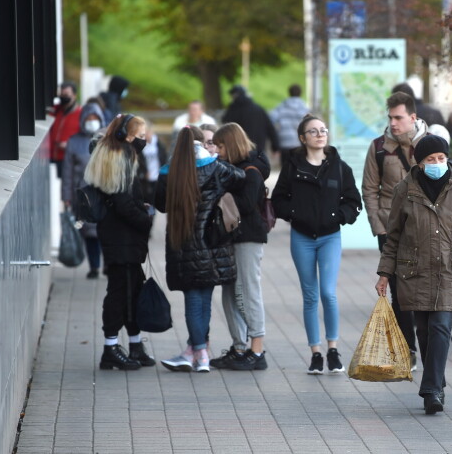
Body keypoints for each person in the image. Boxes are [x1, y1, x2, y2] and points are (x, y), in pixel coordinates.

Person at [374, 135, 452, 415]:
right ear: (419, 162)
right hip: (415, 270)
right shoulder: (405, 189)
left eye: (441, 158)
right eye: (430, 159)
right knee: (423, 330)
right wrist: (385, 272)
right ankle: (437, 381)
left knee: (440, 326)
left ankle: (431, 390)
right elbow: (394, 235)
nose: (437, 163)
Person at [271, 114, 362, 374]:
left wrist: (339, 216)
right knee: (310, 296)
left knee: (328, 293)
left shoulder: (339, 167)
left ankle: (333, 349)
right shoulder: (292, 167)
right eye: (314, 131)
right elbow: (279, 200)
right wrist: (294, 214)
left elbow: (353, 201)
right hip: (302, 238)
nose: (320, 134)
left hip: (330, 237)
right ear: (303, 138)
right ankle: (316, 353)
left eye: (323, 129)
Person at [155, 126, 245, 373]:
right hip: (212, 246)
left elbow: (160, 204)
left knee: (193, 301)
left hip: (182, 247)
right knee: (203, 301)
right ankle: (199, 352)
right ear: (200, 144)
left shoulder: (169, 172)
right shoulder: (214, 168)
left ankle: (200, 353)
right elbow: (239, 176)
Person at [361, 91, 429, 372]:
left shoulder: (430, 145)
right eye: (390, 117)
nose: (394, 123)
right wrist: (379, 227)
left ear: (413, 117)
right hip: (391, 230)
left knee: (423, 288)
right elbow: (369, 189)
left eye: (399, 117)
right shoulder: (379, 147)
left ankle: (427, 346)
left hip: (425, 229)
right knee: (399, 291)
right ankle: (407, 349)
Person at [84, 113, 155, 370]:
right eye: (140, 135)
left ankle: (134, 345)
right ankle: (111, 348)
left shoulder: (113, 153)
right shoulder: (121, 158)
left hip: (118, 236)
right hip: (122, 238)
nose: (144, 140)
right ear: (126, 134)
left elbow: (120, 198)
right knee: (120, 293)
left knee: (132, 289)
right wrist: (145, 220)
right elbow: (123, 203)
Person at [210, 123, 271, 370]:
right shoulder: (231, 168)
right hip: (231, 237)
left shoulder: (251, 170)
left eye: (220, 145)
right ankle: (239, 348)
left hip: (249, 237)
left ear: (231, 144)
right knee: (229, 293)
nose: (217, 149)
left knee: (247, 291)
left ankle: (257, 351)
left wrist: (219, 190)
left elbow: (245, 204)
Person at [61, 100, 106, 279]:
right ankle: (94, 265)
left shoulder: (106, 140)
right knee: (89, 233)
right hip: (83, 195)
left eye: (95, 118)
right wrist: (66, 197)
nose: (92, 121)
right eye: (89, 118)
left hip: (104, 192)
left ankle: (108, 264)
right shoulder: (74, 142)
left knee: (105, 231)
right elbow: (68, 172)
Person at [222, 85, 279, 155]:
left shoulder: (233, 110)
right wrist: (275, 146)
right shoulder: (258, 109)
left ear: (234, 96)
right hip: (259, 148)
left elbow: (225, 125)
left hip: (240, 149)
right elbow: (270, 127)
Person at [48, 81, 82, 178]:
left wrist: (70, 145)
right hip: (50, 157)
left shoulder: (81, 114)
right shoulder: (55, 110)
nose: (63, 97)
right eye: (61, 95)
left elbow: (85, 138)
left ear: (74, 96)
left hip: (68, 160)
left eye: (66, 95)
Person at [270, 84, 310, 164]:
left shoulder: (281, 107)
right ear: (300, 93)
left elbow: (271, 119)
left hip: (284, 143)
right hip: (300, 143)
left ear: (289, 93)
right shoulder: (305, 108)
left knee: (285, 170)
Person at [139, 121, 168, 212]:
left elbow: (164, 159)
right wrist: (143, 173)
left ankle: (152, 217)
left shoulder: (159, 144)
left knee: (156, 201)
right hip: (145, 180)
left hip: (157, 178)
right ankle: (149, 218)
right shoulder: (140, 146)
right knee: (147, 202)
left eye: (147, 132)